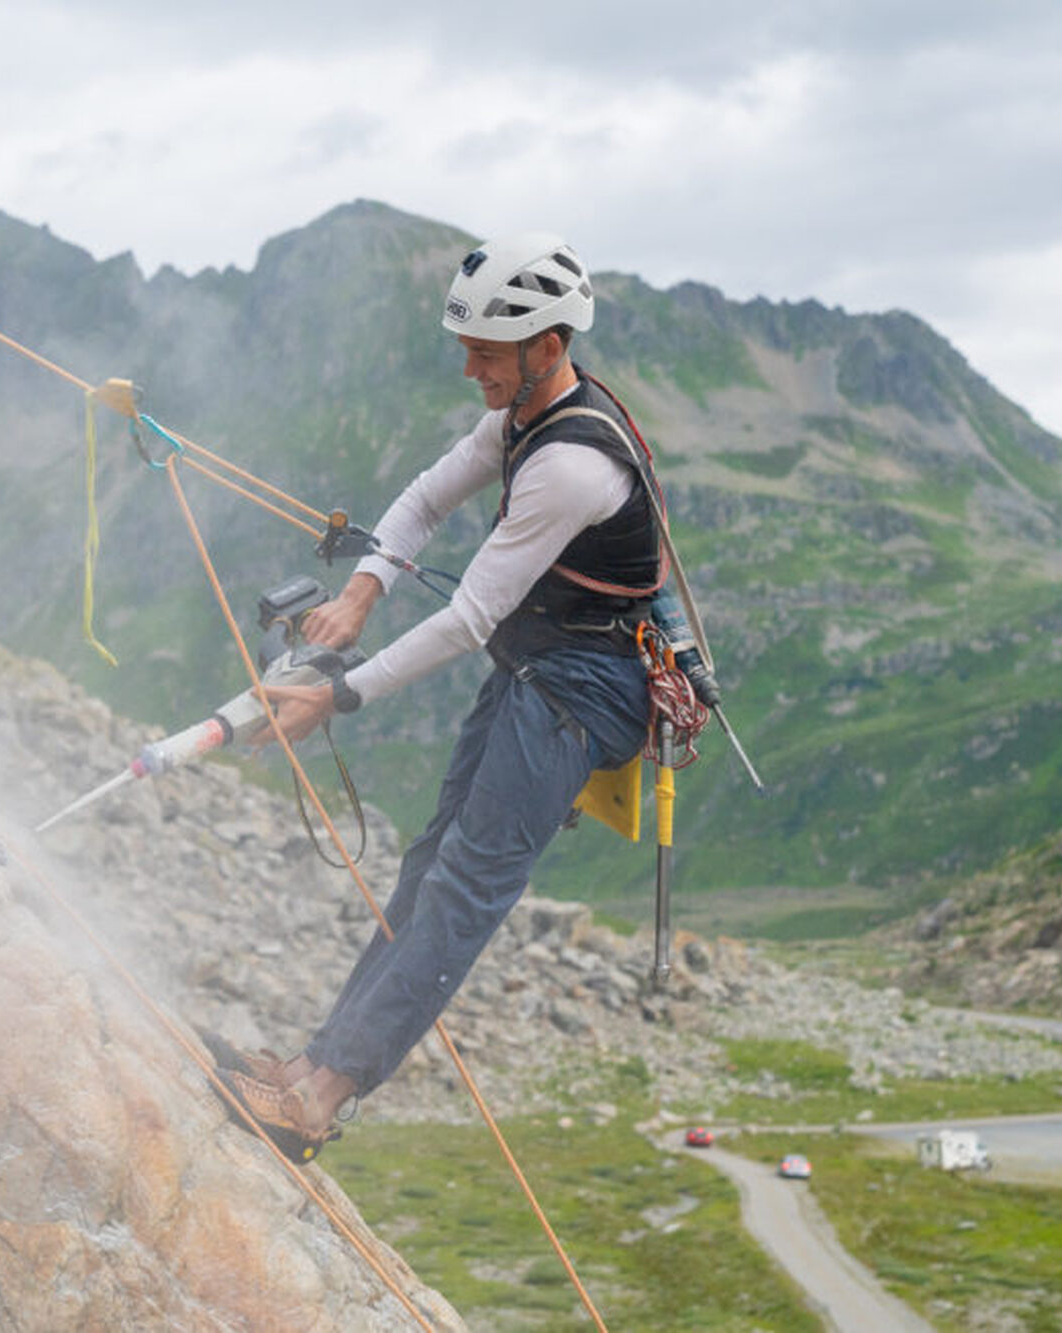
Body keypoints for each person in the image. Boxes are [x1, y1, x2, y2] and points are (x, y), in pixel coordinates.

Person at [208, 232, 719, 1162]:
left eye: (488, 350)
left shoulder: (570, 463)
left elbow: (469, 618)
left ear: (548, 348)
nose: (470, 367)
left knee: (463, 892)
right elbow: (422, 500)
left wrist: (340, 696)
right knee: (429, 868)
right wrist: (360, 593)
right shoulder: (523, 419)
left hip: (582, 691)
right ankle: (309, 1064)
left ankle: (321, 1096)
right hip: (539, 666)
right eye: (469, 347)